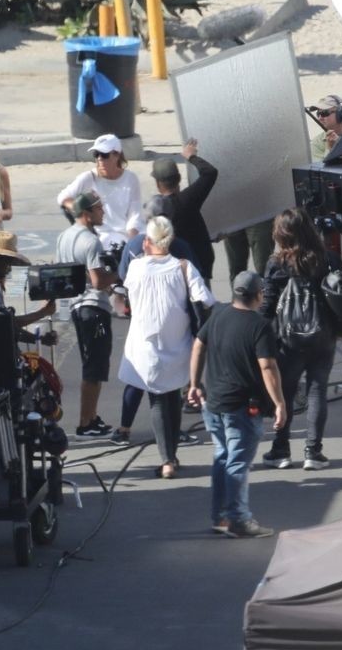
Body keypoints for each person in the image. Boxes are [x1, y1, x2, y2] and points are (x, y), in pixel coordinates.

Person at [190, 270, 284, 538]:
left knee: (222, 457)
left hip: (214, 403)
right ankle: (239, 520)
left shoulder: (218, 314)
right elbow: (267, 366)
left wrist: (194, 384)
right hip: (242, 407)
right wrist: (279, 403)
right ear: (259, 295)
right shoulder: (260, 326)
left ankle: (221, 517)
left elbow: (198, 346)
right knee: (237, 463)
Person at [120, 216, 214, 479]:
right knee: (171, 396)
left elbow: (126, 289)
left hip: (145, 344)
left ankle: (167, 459)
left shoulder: (136, 268)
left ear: (147, 242)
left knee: (158, 399)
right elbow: (206, 299)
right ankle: (171, 455)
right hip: (178, 342)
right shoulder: (183, 267)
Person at [260, 209, 337, 471]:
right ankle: (313, 452)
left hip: (288, 339)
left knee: (285, 393)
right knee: (317, 391)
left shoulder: (277, 264)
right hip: (323, 335)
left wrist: (259, 337)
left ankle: (281, 449)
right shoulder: (327, 259)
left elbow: (268, 305)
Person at [56, 190, 119, 439]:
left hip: (76, 307)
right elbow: (98, 281)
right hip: (93, 309)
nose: (103, 212)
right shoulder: (91, 241)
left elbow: (66, 271)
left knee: (92, 363)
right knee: (95, 365)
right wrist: (119, 272)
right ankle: (86, 422)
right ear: (86, 213)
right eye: (99, 208)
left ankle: (91, 417)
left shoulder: (64, 237)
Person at [57, 134, 144, 247]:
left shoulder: (131, 179)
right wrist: (79, 208)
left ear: (117, 155)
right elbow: (62, 197)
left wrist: (131, 243)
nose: (99, 159)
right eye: (96, 154)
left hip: (128, 233)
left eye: (104, 155)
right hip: (103, 234)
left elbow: (135, 215)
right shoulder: (89, 177)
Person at [150, 139, 219, 281]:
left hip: (171, 274)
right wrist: (191, 156)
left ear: (157, 184)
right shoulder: (189, 199)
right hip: (199, 270)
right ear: (179, 178)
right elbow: (210, 172)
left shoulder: (155, 209)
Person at [307, 95, 342, 161]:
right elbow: (321, 167)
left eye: (324, 113)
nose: (320, 118)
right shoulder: (316, 143)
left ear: (340, 114)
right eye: (318, 114)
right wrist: (331, 149)